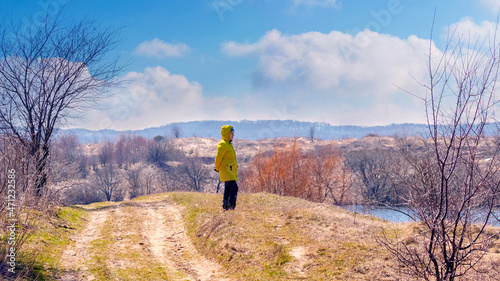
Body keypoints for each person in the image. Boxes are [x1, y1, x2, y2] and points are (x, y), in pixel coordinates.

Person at [214, 125, 238, 210]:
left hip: (230, 171)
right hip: (226, 171)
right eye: (232, 133)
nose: (233, 135)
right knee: (234, 188)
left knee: (228, 188)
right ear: (227, 134)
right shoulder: (223, 145)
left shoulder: (228, 144)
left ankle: (225, 207)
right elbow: (218, 158)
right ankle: (230, 206)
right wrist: (216, 168)